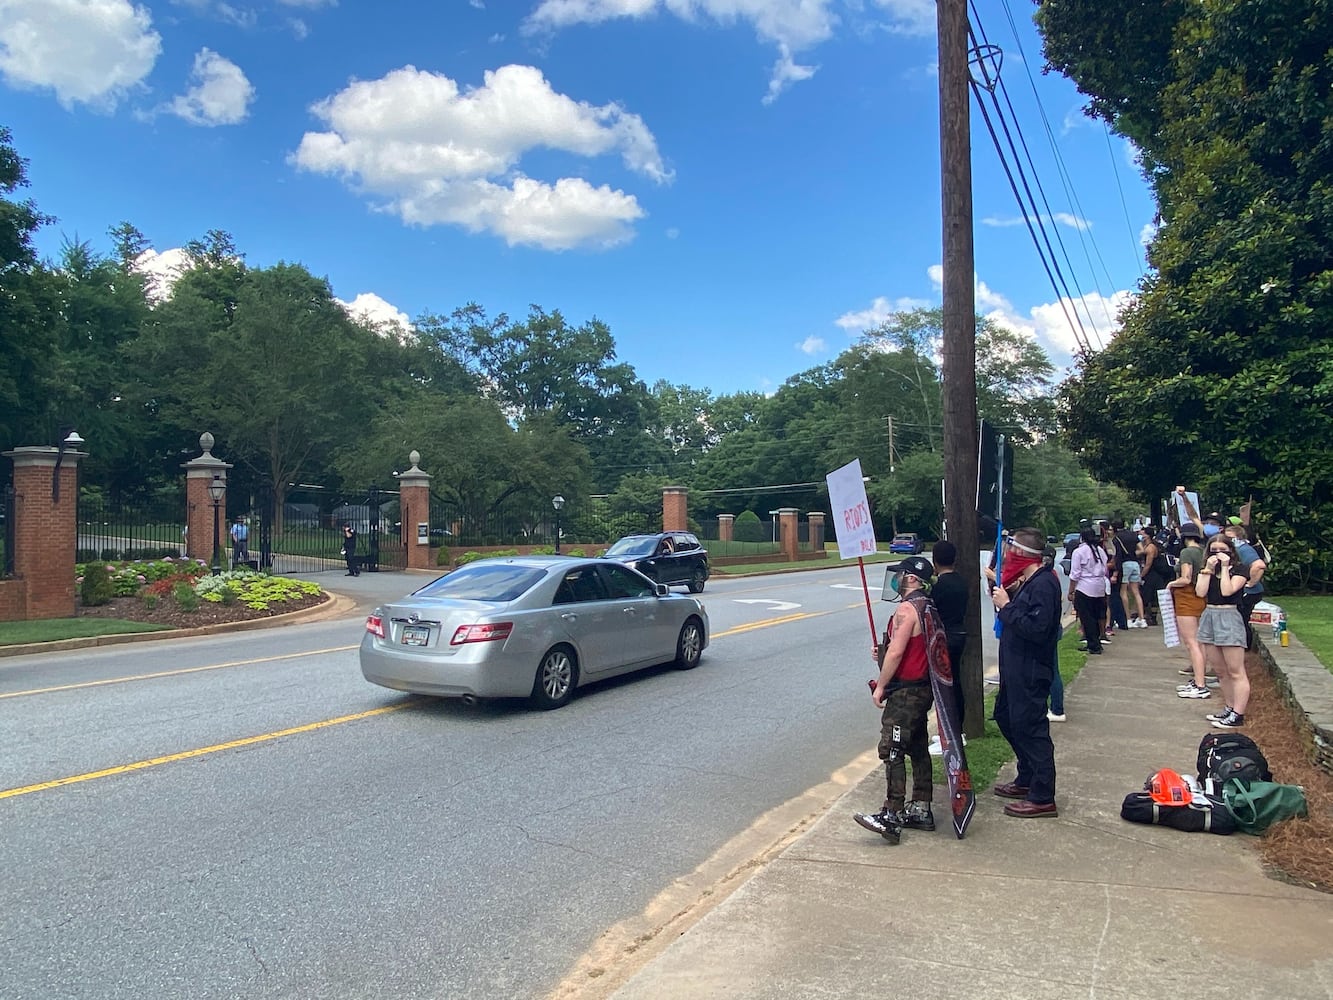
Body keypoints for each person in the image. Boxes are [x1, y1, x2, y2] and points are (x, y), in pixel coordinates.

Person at [853, 555, 945, 844]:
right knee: (917, 746)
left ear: (912, 578)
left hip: (906, 692)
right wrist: (883, 651)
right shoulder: (927, 606)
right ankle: (921, 806)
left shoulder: (907, 609)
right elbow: (900, 649)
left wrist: (881, 686)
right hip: (923, 689)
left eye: (901, 574)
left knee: (891, 748)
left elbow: (897, 653)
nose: (897, 579)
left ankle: (891, 814)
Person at [990, 527, 1062, 818]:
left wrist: (1007, 608)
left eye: (1012, 550)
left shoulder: (1044, 584)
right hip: (1015, 670)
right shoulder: (1028, 582)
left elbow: (1037, 628)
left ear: (1024, 554)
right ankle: (1027, 775)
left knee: (1031, 729)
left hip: (1031, 670)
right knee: (1007, 718)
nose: (1008, 555)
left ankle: (1043, 794)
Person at [1195, 534, 1250, 729]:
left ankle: (1238, 713)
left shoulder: (1240, 570)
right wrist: (1208, 570)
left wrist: (1225, 568)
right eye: (1214, 550)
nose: (1218, 554)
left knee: (1236, 670)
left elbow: (1228, 591)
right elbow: (1200, 593)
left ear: (1231, 551)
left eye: (1223, 550)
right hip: (1210, 615)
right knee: (1220, 670)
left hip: (1229, 617)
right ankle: (1229, 706)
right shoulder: (1208, 569)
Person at [929, 540, 969, 729]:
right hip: (959, 633)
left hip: (944, 638)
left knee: (944, 685)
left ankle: (950, 729)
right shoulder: (961, 582)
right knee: (956, 681)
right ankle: (957, 727)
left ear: (935, 560)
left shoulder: (938, 587)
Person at [1170, 522, 1211, 699]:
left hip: (1187, 597)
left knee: (1191, 642)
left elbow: (1186, 578)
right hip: (1202, 597)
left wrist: (1171, 583)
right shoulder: (1203, 551)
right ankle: (1199, 679)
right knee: (1199, 642)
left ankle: (1200, 684)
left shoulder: (1187, 552)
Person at [1224, 522, 1267, 650]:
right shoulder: (1239, 549)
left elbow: (1259, 565)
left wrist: (1251, 583)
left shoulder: (1244, 549)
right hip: (1247, 591)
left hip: (1250, 592)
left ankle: (1245, 648)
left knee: (1241, 620)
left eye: (1230, 538)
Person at [1068, 527, 1108, 656]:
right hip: (1099, 585)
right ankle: (1095, 642)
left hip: (1084, 587)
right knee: (1096, 615)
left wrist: (1071, 591)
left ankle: (1093, 644)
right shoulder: (1100, 550)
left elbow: (1075, 574)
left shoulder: (1079, 552)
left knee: (1087, 617)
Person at [1111, 518, 1147, 628]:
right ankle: (1142, 618)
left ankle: (1128, 619)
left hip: (1124, 564)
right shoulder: (1132, 535)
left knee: (1123, 592)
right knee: (1136, 592)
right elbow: (1142, 549)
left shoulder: (1116, 538)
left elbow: (1117, 555)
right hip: (1135, 564)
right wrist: (1133, 554)